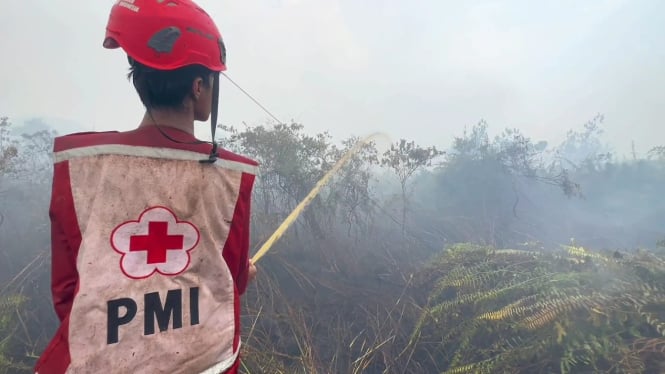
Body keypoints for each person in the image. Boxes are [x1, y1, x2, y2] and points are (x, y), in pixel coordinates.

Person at [34, 1, 258, 373]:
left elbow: (68, 292)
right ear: (199, 86)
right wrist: (239, 280)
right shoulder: (229, 179)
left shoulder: (83, 169)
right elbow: (228, 283)